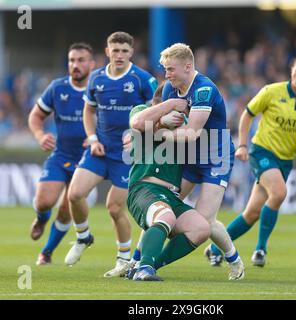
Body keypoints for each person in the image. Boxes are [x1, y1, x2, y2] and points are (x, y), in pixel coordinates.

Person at [207, 54, 296, 267]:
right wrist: (242, 145)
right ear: (291, 70)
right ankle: (260, 249)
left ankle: (215, 248)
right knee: (279, 193)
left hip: (285, 160)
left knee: (251, 213)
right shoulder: (271, 91)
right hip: (262, 152)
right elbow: (247, 115)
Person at [64, 31, 157, 278]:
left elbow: (156, 115)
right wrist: (93, 139)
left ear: (131, 52)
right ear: (107, 52)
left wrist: (138, 136)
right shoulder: (96, 79)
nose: (119, 55)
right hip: (100, 149)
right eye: (115, 50)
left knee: (114, 208)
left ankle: (124, 259)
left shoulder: (143, 80)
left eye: (124, 51)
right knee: (74, 194)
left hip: (128, 155)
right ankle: (83, 237)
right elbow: (88, 112)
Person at [157, 43, 244, 280]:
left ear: (188, 66)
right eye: (165, 69)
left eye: (171, 69)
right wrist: (164, 120)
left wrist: (161, 133)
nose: (167, 75)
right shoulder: (169, 89)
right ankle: (137, 261)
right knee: (161, 207)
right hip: (190, 158)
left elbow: (192, 132)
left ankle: (234, 260)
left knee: (204, 221)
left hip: (216, 158)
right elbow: (164, 121)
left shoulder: (204, 89)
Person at [127, 85, 211, 281]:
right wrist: (168, 110)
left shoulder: (185, 124)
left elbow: (195, 132)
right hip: (143, 188)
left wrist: (166, 125)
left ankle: (147, 265)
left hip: (170, 195)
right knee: (165, 216)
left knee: (201, 228)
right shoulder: (141, 110)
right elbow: (138, 123)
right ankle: (144, 268)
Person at [28, 43, 95, 265]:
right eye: (72, 60)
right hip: (61, 155)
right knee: (44, 201)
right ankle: (41, 218)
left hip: (87, 160)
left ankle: (46, 252)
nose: (75, 65)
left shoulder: (99, 88)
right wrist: (39, 135)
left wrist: (97, 137)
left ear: (91, 63)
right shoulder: (57, 88)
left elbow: (115, 120)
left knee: (67, 208)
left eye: (81, 60)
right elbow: (35, 116)